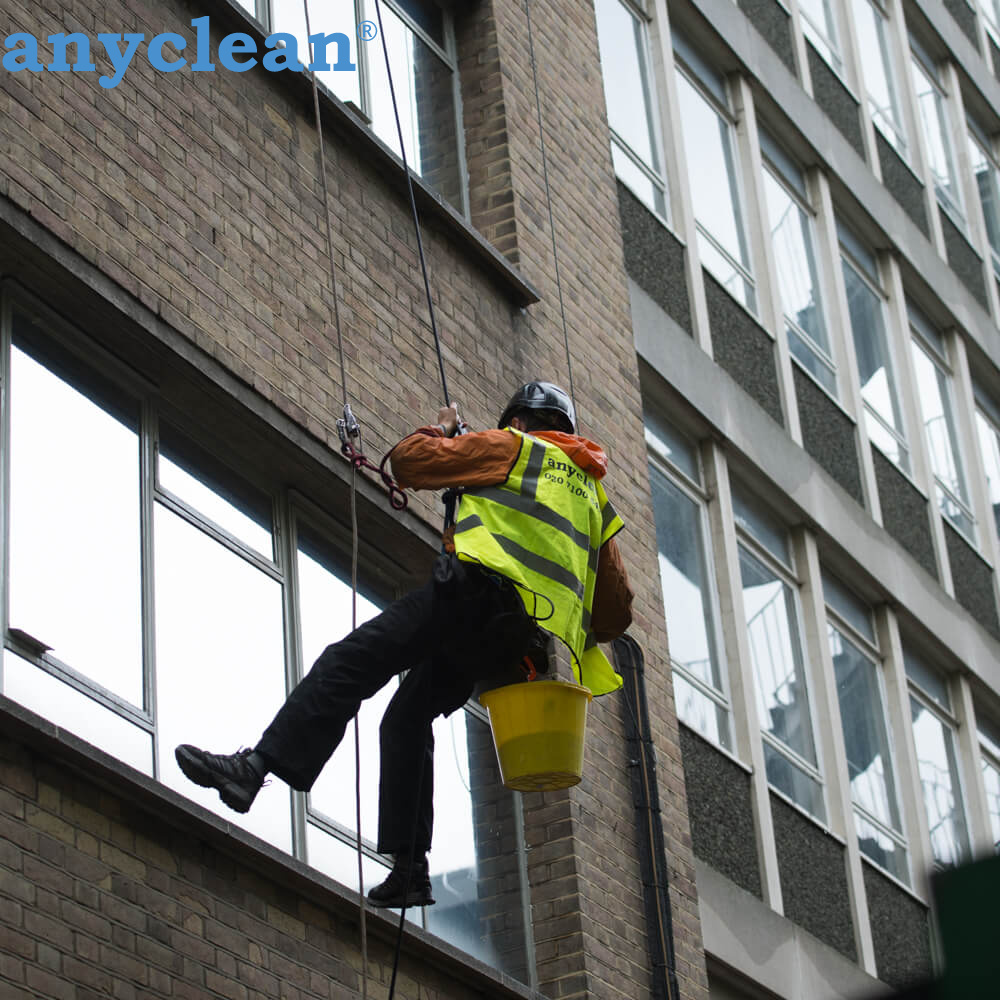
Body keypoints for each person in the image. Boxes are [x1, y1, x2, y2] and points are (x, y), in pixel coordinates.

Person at [175, 381, 633, 908]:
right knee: (408, 716)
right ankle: (411, 869)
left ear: (522, 422)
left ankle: (256, 768)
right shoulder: (594, 499)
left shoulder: (513, 449)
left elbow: (408, 464)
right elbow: (616, 612)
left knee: (352, 660)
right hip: (509, 643)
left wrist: (442, 433)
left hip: (471, 596)